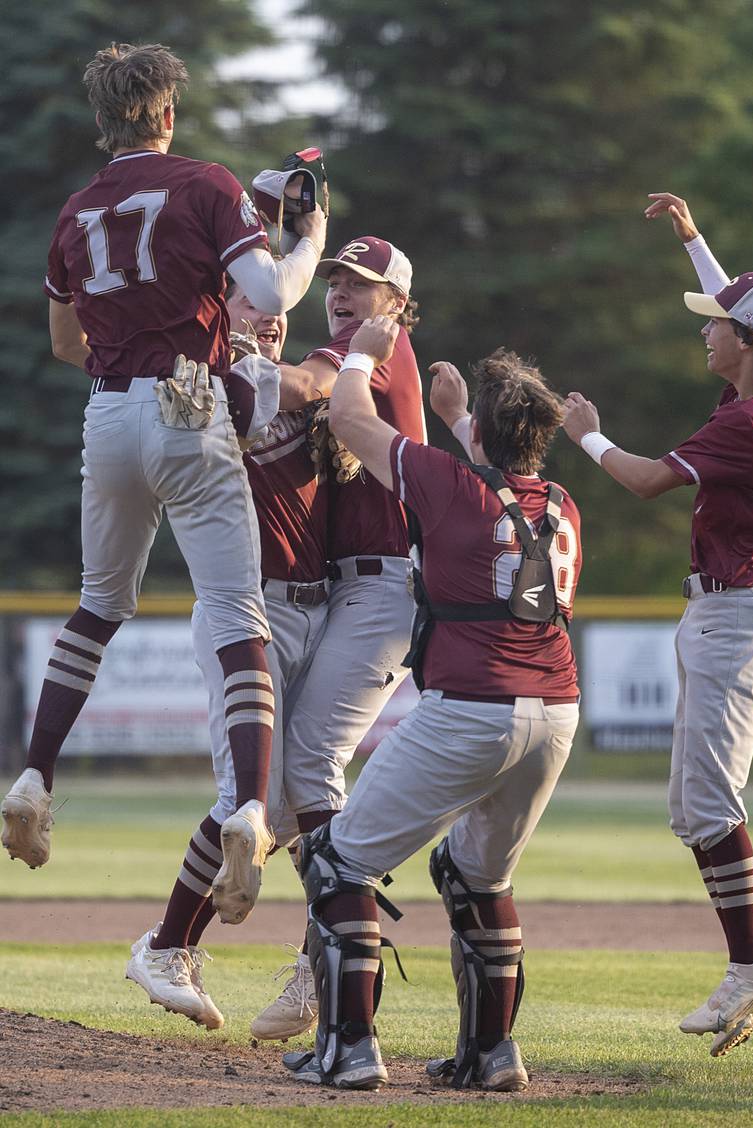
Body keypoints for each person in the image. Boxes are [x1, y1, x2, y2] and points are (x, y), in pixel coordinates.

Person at [0, 44, 326, 929]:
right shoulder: (206, 183)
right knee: (236, 616)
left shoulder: (77, 209)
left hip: (107, 411)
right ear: (168, 113)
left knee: (98, 606)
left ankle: (34, 775)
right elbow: (271, 286)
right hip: (189, 401)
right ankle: (252, 810)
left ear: (103, 122)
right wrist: (310, 243)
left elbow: (67, 343)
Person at [282, 319, 582, 1091]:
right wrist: (460, 421)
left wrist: (361, 356)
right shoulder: (564, 504)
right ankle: (493, 1055)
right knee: (477, 877)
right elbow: (498, 485)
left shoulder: (450, 485)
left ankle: (347, 1050)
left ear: (481, 430)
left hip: (471, 708)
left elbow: (350, 418)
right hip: (555, 714)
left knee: (336, 862)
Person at [562, 191, 753, 1058]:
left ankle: (752, 966)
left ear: (750, 343)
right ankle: (750, 963)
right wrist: (698, 242)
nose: (705, 331)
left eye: (715, 325)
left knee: (707, 803)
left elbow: (647, 479)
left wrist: (586, 436)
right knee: (692, 805)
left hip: (736, 616)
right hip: (733, 613)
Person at [125, 286, 332, 1029]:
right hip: (244, 610)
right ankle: (165, 945)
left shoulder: (293, 385)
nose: (270, 314)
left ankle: (314, 967)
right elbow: (300, 381)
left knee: (296, 803)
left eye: (278, 305)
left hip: (319, 607)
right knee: (243, 801)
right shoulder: (205, 383)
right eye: (250, 301)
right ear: (217, 309)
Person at [252, 236, 426, 1037]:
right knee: (290, 772)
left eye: (361, 282)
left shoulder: (377, 349)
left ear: (396, 300)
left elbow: (306, 385)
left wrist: (214, 368)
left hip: (384, 582)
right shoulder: (368, 348)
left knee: (308, 763)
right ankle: (326, 949)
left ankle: (333, 956)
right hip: (347, 585)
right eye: (334, 281)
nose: (341, 293)